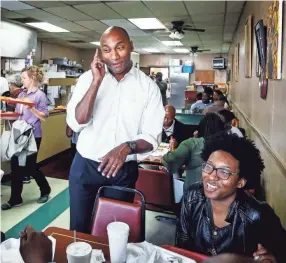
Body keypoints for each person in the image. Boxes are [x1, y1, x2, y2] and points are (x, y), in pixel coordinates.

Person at [66, 27, 164, 233]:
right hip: (85, 168)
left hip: (122, 172)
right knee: (79, 230)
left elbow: (152, 137)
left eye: (120, 47)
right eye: (107, 50)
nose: (115, 56)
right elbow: (77, 122)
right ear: (100, 53)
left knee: (114, 231)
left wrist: (127, 147)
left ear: (131, 46)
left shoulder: (148, 87)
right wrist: (96, 82)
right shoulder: (87, 79)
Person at [176, 134, 286, 262]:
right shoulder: (192, 197)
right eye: (208, 166)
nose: (211, 176)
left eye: (224, 172)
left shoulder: (258, 216)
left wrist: (273, 258)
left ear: (241, 182)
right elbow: (181, 246)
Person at [1, 66, 51, 210]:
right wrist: (6, 116)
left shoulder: (39, 95)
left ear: (32, 78)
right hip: (19, 134)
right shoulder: (22, 94)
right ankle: (15, 199)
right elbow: (19, 114)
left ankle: (45, 190)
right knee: (16, 166)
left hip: (33, 136)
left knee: (30, 167)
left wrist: (31, 108)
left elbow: (44, 116)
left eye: (24, 78)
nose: (22, 80)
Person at [162, 113, 226, 190]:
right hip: (220, 191)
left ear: (200, 128)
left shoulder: (192, 143)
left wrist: (162, 158)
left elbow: (170, 160)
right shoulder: (228, 145)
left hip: (193, 191)